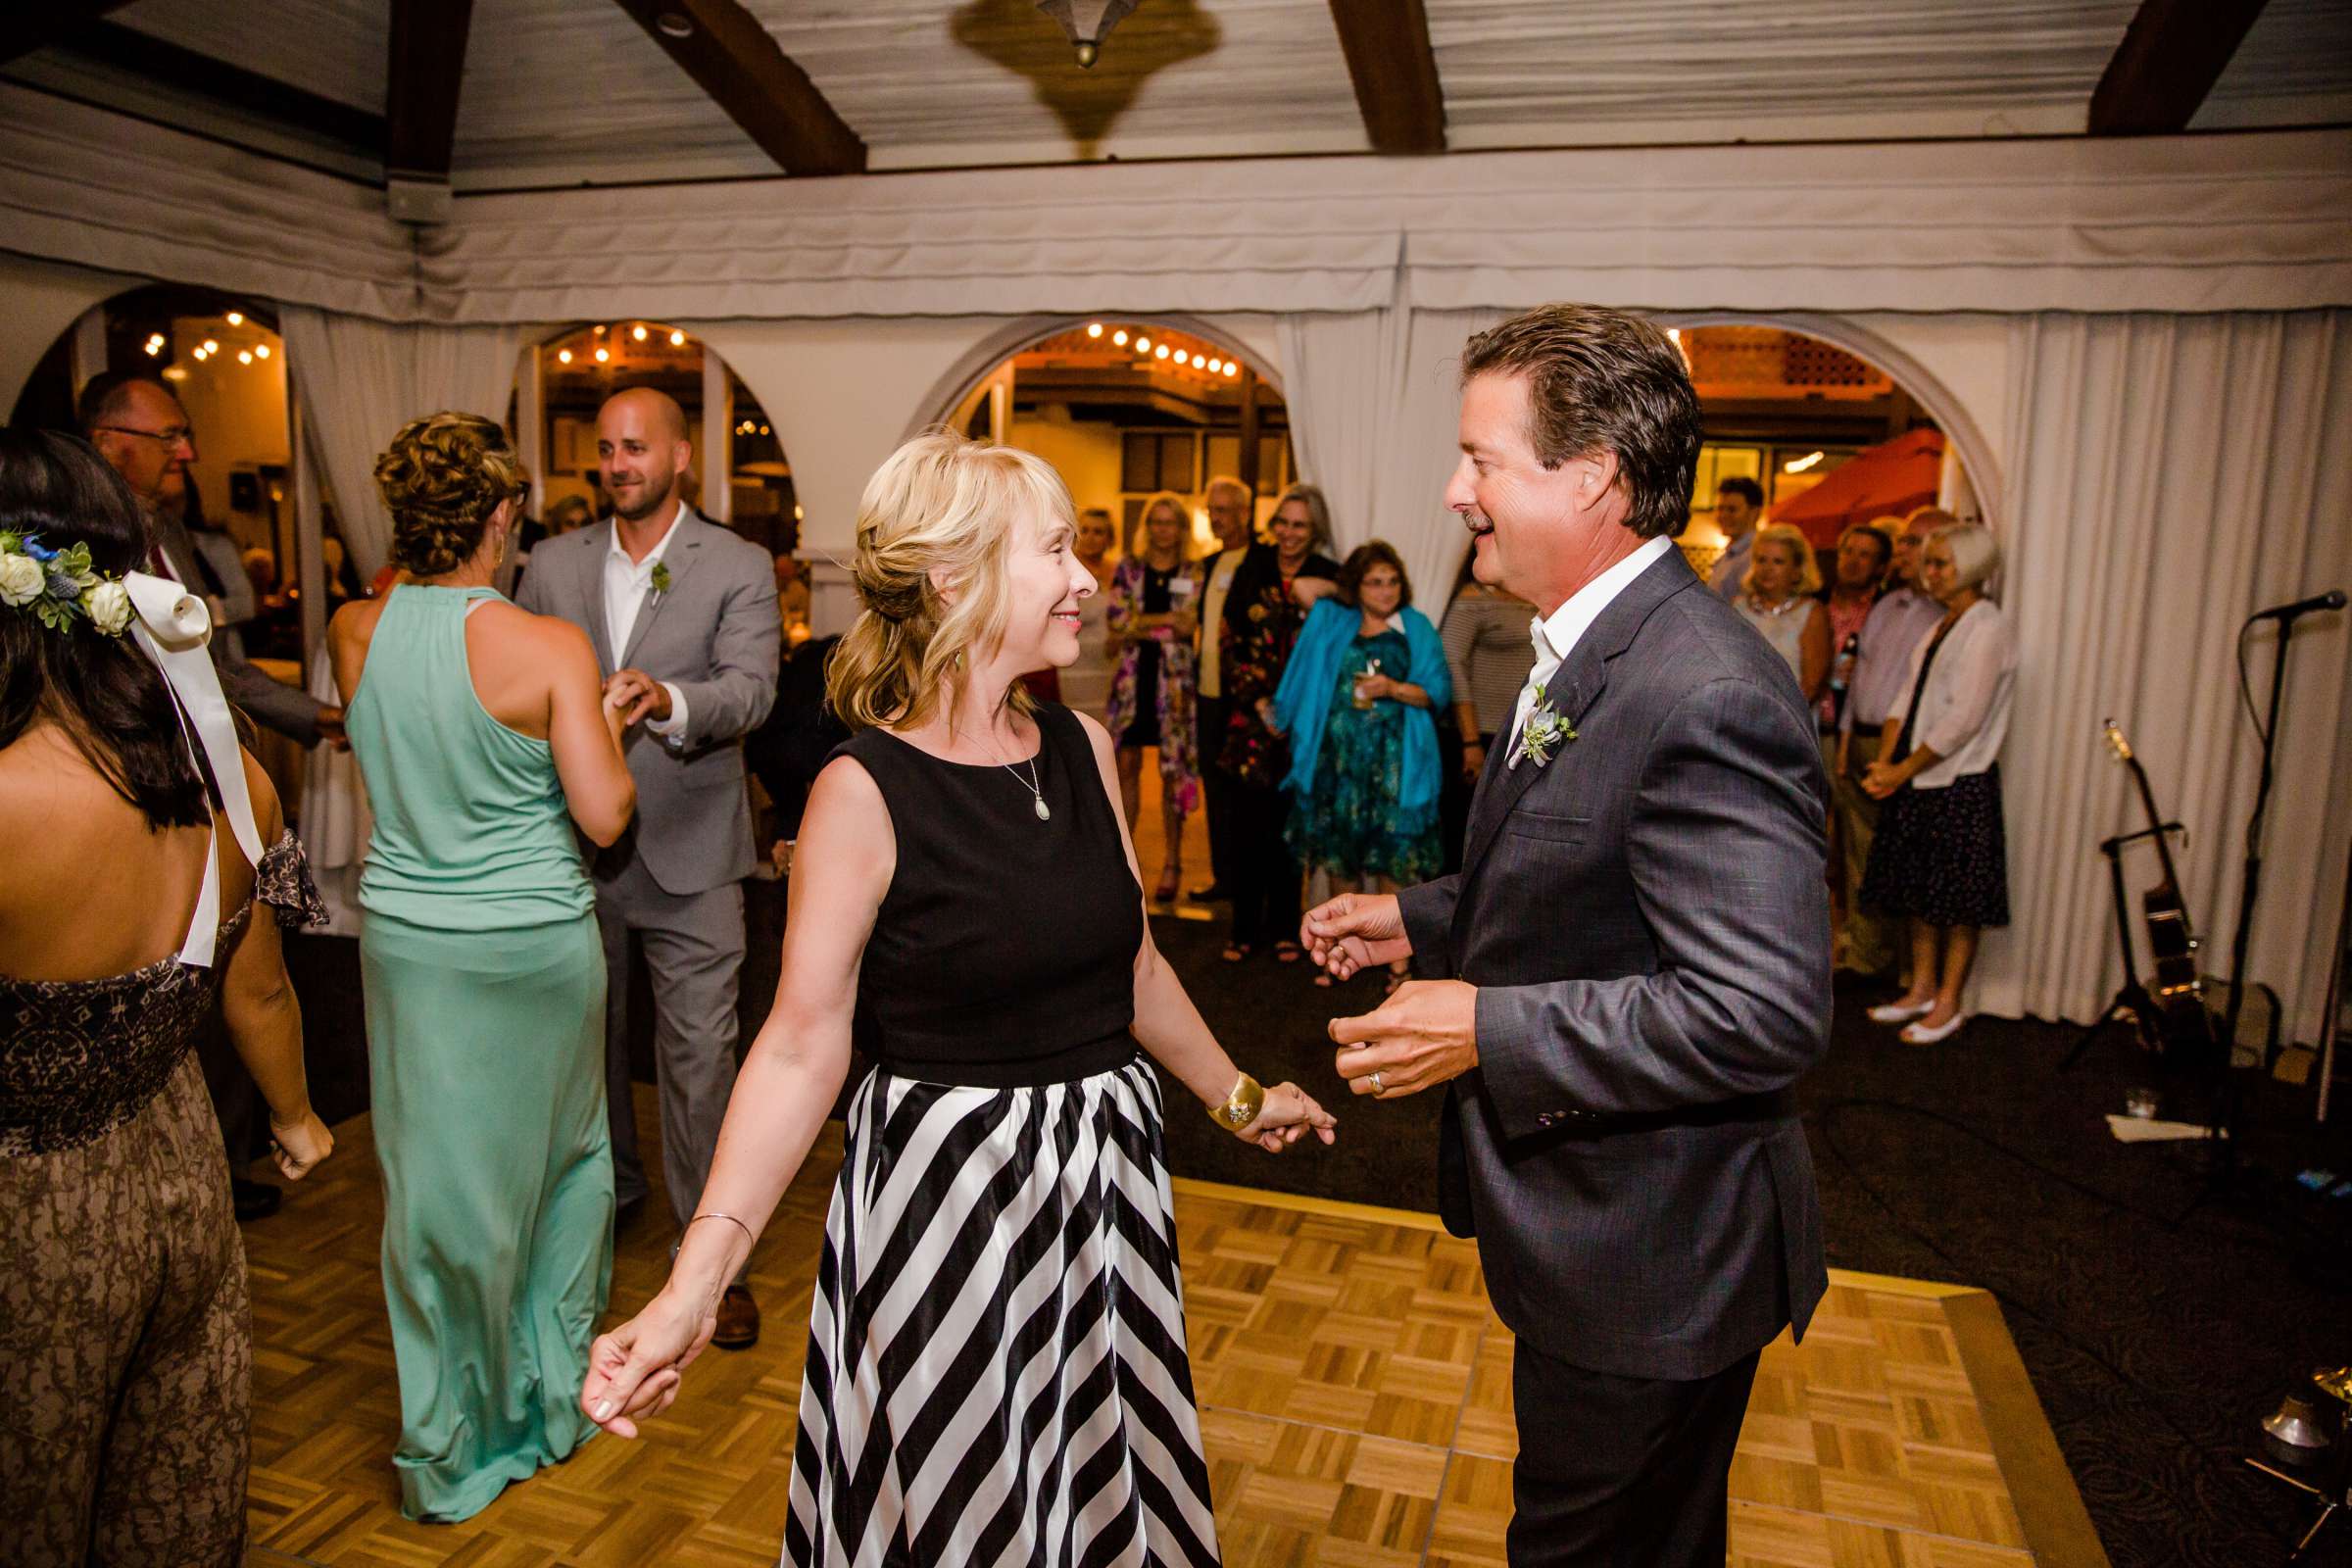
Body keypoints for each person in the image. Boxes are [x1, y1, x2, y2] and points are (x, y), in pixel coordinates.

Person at [578, 431, 1336, 1565]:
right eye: (1057, 550)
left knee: (1096, 1493)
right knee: (967, 1509)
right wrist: (697, 1284)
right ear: (951, 576)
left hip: (1104, 1196)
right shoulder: (861, 790)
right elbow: (797, 1047)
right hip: (951, 1206)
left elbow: (1133, 969)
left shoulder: (1081, 743)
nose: (1087, 578)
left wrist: (1238, 1098)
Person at [1302, 305, 1832, 1567]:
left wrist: (1485, 1022)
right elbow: (1597, 867)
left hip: (1656, 1258)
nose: (1453, 489)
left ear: (1590, 474)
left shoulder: (1699, 686)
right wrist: (1419, 914)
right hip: (1622, 1238)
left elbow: (1758, 1013)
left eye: (1481, 459)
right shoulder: (1605, 642)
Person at [0, 429, 332, 1568]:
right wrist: (293, 1119)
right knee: (169, 1490)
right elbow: (259, 987)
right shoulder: (221, 773)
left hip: (28, 1224)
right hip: (180, 1175)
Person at [329, 413, 638, 1521]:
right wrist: (602, 724)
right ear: (503, 516)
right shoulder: (550, 647)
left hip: (410, 949)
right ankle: (546, 1404)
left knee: (434, 1195)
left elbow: (402, 764)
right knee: (560, 1173)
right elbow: (604, 817)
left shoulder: (353, 630)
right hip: (531, 949)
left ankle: (447, 1441)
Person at [516, 388, 781, 1348]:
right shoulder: (550, 563)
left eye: (636, 448)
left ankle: (712, 1266)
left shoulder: (738, 563)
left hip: (695, 850)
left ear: (680, 455)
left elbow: (752, 692)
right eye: (606, 450)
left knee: (699, 1059)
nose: (618, 463)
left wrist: (665, 697)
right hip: (574, 852)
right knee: (582, 1042)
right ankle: (615, 1190)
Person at [82, 369, 339, 1223]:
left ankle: (223, 1155)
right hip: (134, 792)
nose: (187, 452)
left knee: (231, 964)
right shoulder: (79, 555)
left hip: (212, 785)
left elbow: (218, 668)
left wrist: (304, 721)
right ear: (113, 443)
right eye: (171, 436)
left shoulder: (174, 537)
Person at [1858, 522, 2016, 1046]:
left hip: (1958, 780)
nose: (1931, 572)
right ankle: (1921, 989)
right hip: (1918, 778)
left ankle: (1950, 1001)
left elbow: (1965, 717)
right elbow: (1906, 699)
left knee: (1957, 902)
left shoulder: (1987, 626)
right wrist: (1886, 761)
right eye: (1929, 563)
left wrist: (1903, 769)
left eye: (1941, 564)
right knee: (1918, 894)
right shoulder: (1942, 624)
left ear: (1970, 567)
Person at [1272, 540, 1449, 995]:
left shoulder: (1415, 627)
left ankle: (1399, 966)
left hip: (1394, 770)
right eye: (1374, 581)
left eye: (1392, 581)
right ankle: (1336, 952)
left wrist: (1392, 687)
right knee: (1339, 862)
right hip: (1339, 768)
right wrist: (1348, 588)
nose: (1386, 590)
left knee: (1395, 865)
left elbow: (1436, 693)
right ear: (1356, 585)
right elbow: (1302, 586)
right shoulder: (1336, 621)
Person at [1214, 482, 1340, 961]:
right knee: (1247, 826)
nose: (1288, 533)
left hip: (1307, 723)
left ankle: (1286, 927)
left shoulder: (1328, 573)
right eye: (1283, 522)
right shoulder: (1254, 565)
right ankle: (1243, 928)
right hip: (1253, 717)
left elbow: (1345, 630)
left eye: (1300, 525)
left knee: (1292, 830)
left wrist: (1292, 711)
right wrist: (1262, 701)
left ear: (1315, 531)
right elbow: (1229, 639)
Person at [1833, 507, 1952, 976]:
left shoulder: (1945, 613)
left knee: (1904, 859)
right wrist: (1844, 742)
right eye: (1903, 542)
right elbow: (1860, 677)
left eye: (1915, 542)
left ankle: (1906, 968)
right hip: (1860, 740)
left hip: (1906, 752)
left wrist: (1892, 756)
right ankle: (1866, 956)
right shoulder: (1886, 605)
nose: (1904, 551)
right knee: (1856, 855)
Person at [1103, 491, 1203, 901]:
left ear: (1181, 528)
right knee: (1125, 767)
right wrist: (1158, 622)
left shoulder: (1193, 569)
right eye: (1156, 522)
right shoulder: (1129, 566)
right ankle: (1126, 862)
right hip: (1132, 682)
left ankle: (1173, 862)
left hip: (1174, 687)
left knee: (1170, 774)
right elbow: (1117, 621)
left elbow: (1186, 626)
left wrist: (1139, 623)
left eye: (1171, 522)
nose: (1163, 529)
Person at [1189, 475, 1257, 901]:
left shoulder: (1260, 561)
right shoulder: (1208, 565)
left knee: (1245, 794)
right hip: (1207, 695)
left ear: (1246, 514)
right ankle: (1224, 879)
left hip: (1245, 699)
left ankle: (1250, 882)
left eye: (1225, 510)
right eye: (1212, 510)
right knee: (1213, 788)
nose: (1217, 518)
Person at [1735, 521, 1831, 702]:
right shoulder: (1738, 608)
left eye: (1778, 561)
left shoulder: (1811, 613)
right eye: (1761, 560)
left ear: (1796, 570)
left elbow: (1812, 686)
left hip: (1788, 721)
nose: (1767, 569)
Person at [1058, 504, 1119, 717]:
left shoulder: (1118, 571)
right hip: (1073, 666)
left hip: (1108, 665)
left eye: (1098, 532)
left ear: (1109, 538)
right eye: (1085, 530)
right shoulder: (1063, 569)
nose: (1091, 537)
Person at [1705, 473, 1764, 602]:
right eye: (1720, 509)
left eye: (1732, 510)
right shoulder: (1730, 555)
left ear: (1754, 512)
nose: (1723, 516)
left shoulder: (1756, 556)